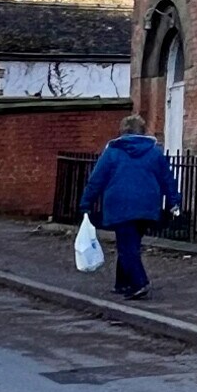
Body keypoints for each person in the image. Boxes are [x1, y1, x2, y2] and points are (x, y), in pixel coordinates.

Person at [80, 115, 182, 300]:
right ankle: (122, 283)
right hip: (147, 205)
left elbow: (96, 180)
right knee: (131, 243)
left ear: (123, 131)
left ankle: (139, 283)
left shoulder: (112, 152)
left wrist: (86, 203)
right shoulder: (154, 152)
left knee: (127, 247)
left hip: (120, 205)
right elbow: (167, 178)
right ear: (142, 131)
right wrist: (174, 201)